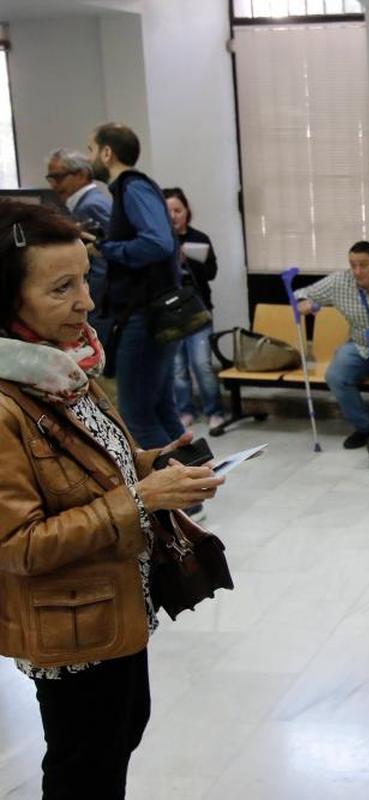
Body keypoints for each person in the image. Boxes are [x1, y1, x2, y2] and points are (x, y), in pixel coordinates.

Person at [0, 199, 223, 799]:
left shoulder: (63, 369)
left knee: (117, 738)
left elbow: (93, 469)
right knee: (84, 765)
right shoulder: (7, 402)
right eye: (62, 288)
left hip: (114, 604)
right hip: (69, 625)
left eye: (86, 281)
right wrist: (139, 497)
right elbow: (17, 546)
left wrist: (155, 465)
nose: (87, 303)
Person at [88, 122, 184, 450]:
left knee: (137, 415)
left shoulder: (132, 187)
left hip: (145, 317)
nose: (90, 158)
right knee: (159, 408)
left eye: (91, 150)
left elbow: (158, 243)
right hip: (153, 315)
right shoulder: (132, 190)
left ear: (106, 152)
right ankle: (194, 492)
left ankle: (176, 496)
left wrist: (107, 249)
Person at [294, 241, 369, 466]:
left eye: (364, 265)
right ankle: (367, 428)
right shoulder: (340, 282)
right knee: (336, 375)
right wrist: (305, 303)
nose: (358, 271)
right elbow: (300, 294)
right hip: (361, 345)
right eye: (353, 265)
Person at [162, 187, 224, 431]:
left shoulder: (199, 238)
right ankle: (185, 410)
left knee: (202, 364)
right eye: (168, 212)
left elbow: (212, 273)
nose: (174, 216)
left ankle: (215, 411)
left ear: (187, 212)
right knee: (177, 368)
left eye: (178, 210)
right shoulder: (159, 242)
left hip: (199, 312)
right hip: (170, 314)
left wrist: (189, 262)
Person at [45, 148, 111, 337]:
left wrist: (89, 303)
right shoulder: (94, 201)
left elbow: (100, 263)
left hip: (100, 305)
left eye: (58, 177)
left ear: (82, 174)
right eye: (51, 178)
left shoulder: (90, 206)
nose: (54, 186)